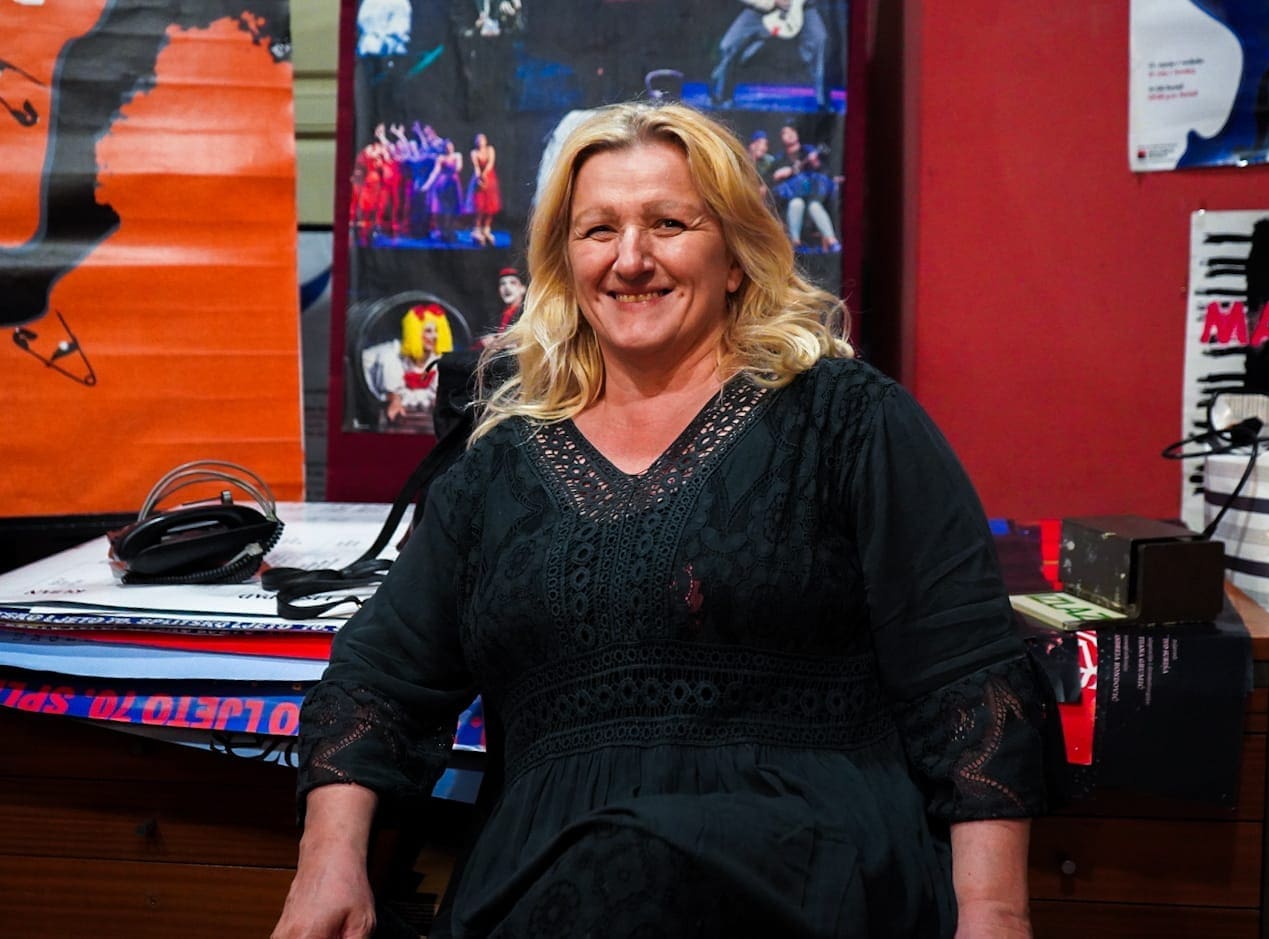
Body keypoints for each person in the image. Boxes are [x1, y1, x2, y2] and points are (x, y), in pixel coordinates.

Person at [275, 102, 1057, 939]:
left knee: (637, 858)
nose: (630, 258)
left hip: (806, 870)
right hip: (547, 884)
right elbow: (378, 679)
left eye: (668, 224)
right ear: (565, 261)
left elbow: (966, 675)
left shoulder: (849, 420)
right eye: (598, 230)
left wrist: (993, 912)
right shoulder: (497, 465)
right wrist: (326, 862)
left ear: (735, 257)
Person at [710, 0, 829, 111]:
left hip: (802, 8)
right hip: (761, 10)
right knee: (728, 45)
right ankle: (720, 96)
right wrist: (773, 2)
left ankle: (822, 100)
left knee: (819, 38)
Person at [361, 303, 454, 433]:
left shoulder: (438, 361)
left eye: (437, 331)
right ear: (415, 332)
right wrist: (394, 398)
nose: (435, 336)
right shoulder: (390, 357)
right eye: (428, 331)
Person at [469, 132, 501, 246]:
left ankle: (486, 229)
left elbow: (490, 163)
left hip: (490, 178)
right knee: (479, 205)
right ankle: (477, 230)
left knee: (490, 205)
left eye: (482, 139)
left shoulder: (490, 149)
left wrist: (485, 174)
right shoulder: (474, 152)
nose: (480, 141)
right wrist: (479, 177)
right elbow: (476, 167)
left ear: (486, 140)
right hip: (478, 179)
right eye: (478, 140)